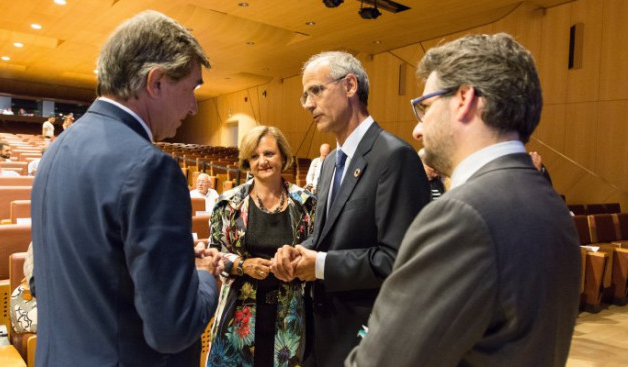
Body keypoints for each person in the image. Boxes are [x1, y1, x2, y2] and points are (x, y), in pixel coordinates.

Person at [345, 33, 581, 367]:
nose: (417, 129)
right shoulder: (548, 202)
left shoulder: (462, 215)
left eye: (424, 108)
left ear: (464, 99)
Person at [30, 11, 220, 367]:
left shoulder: (56, 149)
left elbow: (73, 272)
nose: (194, 107)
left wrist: (171, 259)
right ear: (157, 82)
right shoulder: (150, 167)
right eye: (193, 88)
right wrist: (206, 277)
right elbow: (171, 330)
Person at [271, 51, 429, 367]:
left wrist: (320, 266)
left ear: (350, 86)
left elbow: (399, 261)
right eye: (304, 95)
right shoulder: (330, 163)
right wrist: (297, 251)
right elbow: (323, 237)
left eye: (315, 90)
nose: (307, 103)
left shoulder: (395, 157)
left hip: (368, 338)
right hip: (323, 334)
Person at [207, 126, 316, 367]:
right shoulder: (228, 204)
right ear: (247, 162)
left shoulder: (306, 204)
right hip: (239, 314)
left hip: (289, 313)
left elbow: (315, 250)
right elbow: (213, 255)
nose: (262, 161)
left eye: (269, 154)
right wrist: (242, 265)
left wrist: (296, 264)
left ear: (283, 157)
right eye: (254, 156)